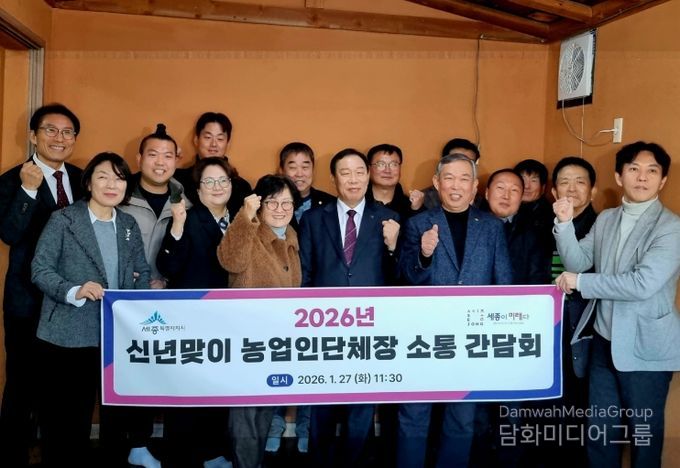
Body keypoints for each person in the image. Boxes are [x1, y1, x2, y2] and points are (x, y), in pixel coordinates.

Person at [554, 141, 680, 468]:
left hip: (647, 347)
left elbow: (642, 284)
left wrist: (582, 283)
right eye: (634, 169)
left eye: (652, 171)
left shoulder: (671, 227)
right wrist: (564, 224)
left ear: (663, 180)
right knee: (600, 433)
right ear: (619, 176)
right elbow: (578, 262)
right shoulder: (608, 218)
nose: (642, 177)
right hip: (603, 342)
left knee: (643, 435)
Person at [31, 152, 150, 467]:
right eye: (103, 177)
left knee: (116, 418)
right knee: (67, 419)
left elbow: (142, 271)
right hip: (68, 334)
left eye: (119, 179)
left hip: (116, 336)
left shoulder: (127, 224)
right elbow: (40, 269)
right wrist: (74, 290)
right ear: (88, 183)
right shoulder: (63, 220)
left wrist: (137, 297)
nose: (112, 185)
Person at [397, 153, 512, 468]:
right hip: (422, 338)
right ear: (437, 183)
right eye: (449, 178)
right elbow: (405, 278)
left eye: (464, 179)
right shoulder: (418, 224)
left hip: (471, 339)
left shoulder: (491, 227)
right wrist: (424, 253)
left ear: (475, 186)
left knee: (462, 419)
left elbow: (504, 283)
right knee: (413, 414)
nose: (456, 186)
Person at [299, 148, 400, 467]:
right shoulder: (314, 219)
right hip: (323, 326)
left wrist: (394, 247)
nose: (353, 179)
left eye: (359, 172)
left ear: (368, 175)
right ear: (333, 178)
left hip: (370, 327)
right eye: (345, 173)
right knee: (322, 405)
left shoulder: (389, 218)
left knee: (361, 407)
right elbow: (306, 273)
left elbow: (399, 278)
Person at [0, 103, 83, 467]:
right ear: (34, 136)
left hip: (72, 302)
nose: (59, 138)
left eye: (67, 132)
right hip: (27, 301)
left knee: (63, 390)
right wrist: (28, 191)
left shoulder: (83, 179)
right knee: (22, 386)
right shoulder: (11, 180)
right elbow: (8, 233)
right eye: (51, 130)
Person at [110, 123, 190, 468]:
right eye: (153, 154)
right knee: (128, 371)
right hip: (124, 300)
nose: (160, 162)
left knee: (169, 371)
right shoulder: (119, 193)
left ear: (177, 160)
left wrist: (168, 281)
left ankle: (167, 445)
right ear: (139, 158)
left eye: (168, 155)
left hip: (170, 298)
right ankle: (132, 444)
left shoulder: (185, 197)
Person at [217, 174, 302, 468]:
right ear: (260, 204)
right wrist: (245, 215)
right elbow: (230, 261)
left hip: (278, 338)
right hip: (247, 335)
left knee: (266, 405)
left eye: (287, 203)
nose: (280, 209)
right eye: (272, 202)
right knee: (245, 408)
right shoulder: (249, 229)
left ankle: (253, 462)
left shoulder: (291, 236)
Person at [156, 157, 234, 468]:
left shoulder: (242, 220)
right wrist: (176, 226)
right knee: (186, 393)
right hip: (190, 321)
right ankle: (180, 458)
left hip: (228, 322)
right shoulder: (186, 218)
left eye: (223, 181)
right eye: (209, 181)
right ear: (198, 190)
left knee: (219, 389)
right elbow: (168, 266)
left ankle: (213, 452)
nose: (217, 187)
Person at [475, 168, 550, 468]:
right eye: (500, 188)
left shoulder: (534, 234)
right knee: (475, 408)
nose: (506, 196)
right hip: (473, 333)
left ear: (523, 197)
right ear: (485, 192)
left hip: (514, 333)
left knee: (512, 409)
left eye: (514, 190)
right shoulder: (470, 226)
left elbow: (538, 281)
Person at [265, 142, 334, 455]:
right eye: (292, 166)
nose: (299, 172)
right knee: (277, 362)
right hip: (279, 298)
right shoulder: (269, 202)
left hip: (317, 301)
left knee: (311, 367)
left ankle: (307, 426)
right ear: (282, 169)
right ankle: (274, 425)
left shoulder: (328, 204)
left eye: (306, 165)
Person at [174, 112, 251, 217]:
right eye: (207, 137)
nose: (214, 144)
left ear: (228, 144)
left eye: (220, 139)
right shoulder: (178, 179)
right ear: (196, 140)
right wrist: (169, 155)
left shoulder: (241, 186)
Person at [277, 141, 335, 232]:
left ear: (313, 169)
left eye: (305, 167)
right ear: (281, 171)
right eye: (292, 167)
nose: (299, 174)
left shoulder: (331, 203)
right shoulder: (271, 204)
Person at [366, 143, 424, 220]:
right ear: (368, 169)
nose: (387, 170)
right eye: (381, 164)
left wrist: (416, 209)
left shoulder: (411, 205)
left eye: (394, 164)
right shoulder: (357, 201)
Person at [422, 138, 480, 210]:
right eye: (455, 159)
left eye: (468, 162)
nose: (461, 165)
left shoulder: (480, 201)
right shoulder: (424, 198)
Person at [514, 158, 553, 249]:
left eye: (534, 180)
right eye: (522, 179)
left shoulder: (549, 216)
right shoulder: (506, 209)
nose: (527, 186)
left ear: (543, 188)